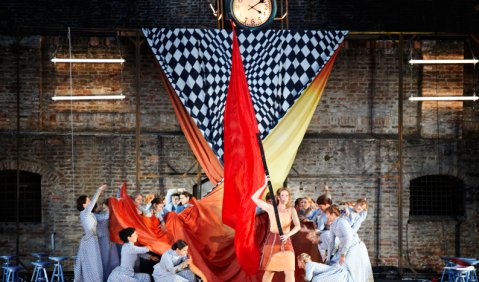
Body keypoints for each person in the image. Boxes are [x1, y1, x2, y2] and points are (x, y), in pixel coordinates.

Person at [251, 176, 301, 282]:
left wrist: (288, 235)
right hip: (272, 241)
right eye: (282, 195)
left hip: (286, 241)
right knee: (269, 271)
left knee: (290, 271)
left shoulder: (291, 210)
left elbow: (298, 226)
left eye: (287, 195)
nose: (285, 197)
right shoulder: (271, 209)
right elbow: (254, 198)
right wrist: (264, 184)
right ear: (278, 197)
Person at [325, 205, 374, 282]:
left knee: (346, 267)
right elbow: (331, 242)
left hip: (354, 247)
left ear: (333, 214)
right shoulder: (333, 224)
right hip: (345, 246)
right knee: (334, 264)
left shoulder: (342, 222)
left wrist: (342, 254)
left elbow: (349, 238)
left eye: (327, 214)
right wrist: (328, 259)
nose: (326, 216)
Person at [74, 184, 108, 282]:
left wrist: (105, 209)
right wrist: (99, 190)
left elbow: (103, 217)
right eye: (88, 201)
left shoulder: (90, 214)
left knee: (96, 263)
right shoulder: (84, 212)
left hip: (93, 240)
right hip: (90, 240)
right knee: (93, 264)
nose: (90, 203)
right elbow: (94, 202)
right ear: (84, 205)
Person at [95, 200, 120, 281]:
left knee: (114, 259)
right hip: (102, 239)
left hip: (108, 237)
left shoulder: (100, 214)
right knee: (105, 259)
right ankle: (106, 278)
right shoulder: (94, 215)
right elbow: (106, 216)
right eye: (99, 205)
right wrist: (107, 208)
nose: (100, 207)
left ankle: (114, 278)